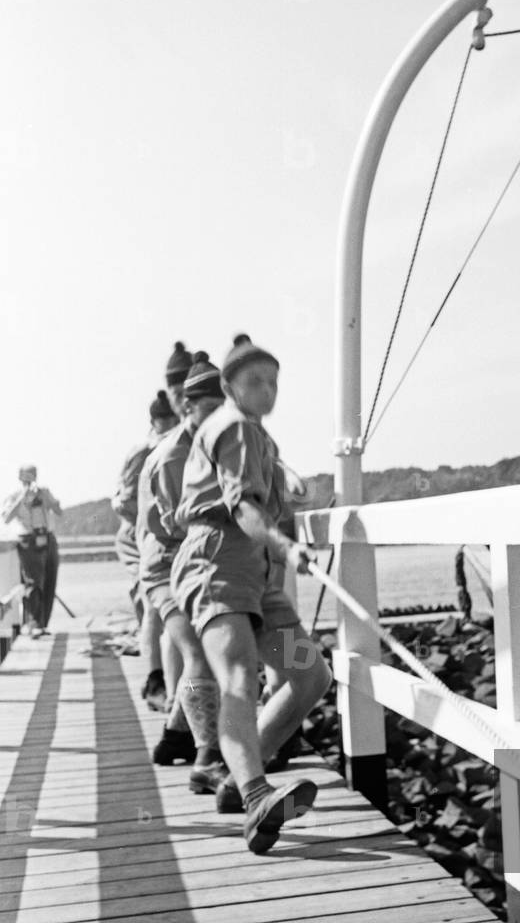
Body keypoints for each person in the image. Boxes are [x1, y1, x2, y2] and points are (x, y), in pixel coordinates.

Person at [172, 334, 331, 854]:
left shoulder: (259, 436)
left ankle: (237, 779)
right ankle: (257, 795)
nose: (267, 390)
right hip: (218, 565)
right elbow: (242, 506)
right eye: (255, 381)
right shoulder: (234, 428)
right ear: (229, 386)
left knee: (309, 674)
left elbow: (268, 494)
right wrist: (286, 546)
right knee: (239, 674)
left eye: (274, 382)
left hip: (257, 578)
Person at [137, 351, 226, 784]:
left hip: (217, 569)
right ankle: (207, 758)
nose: (220, 416)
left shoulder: (226, 441)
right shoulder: (174, 457)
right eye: (210, 407)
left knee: (301, 665)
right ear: (187, 407)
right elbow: (177, 525)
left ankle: (176, 735)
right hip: (170, 569)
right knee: (200, 654)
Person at [113, 386, 181, 708]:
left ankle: (175, 690)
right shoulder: (147, 452)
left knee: (170, 613)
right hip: (146, 539)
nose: (169, 424)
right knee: (153, 603)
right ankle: (157, 682)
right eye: (164, 419)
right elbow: (124, 502)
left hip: (169, 538)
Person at [1, 465, 64, 636]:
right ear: (20, 477)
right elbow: (6, 518)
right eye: (27, 475)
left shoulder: (43, 492)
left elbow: (59, 512)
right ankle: (33, 624)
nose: (30, 479)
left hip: (47, 537)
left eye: (32, 475)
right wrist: (22, 498)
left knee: (49, 581)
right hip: (28, 540)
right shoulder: (14, 495)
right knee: (33, 582)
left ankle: (42, 624)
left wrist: (48, 499)